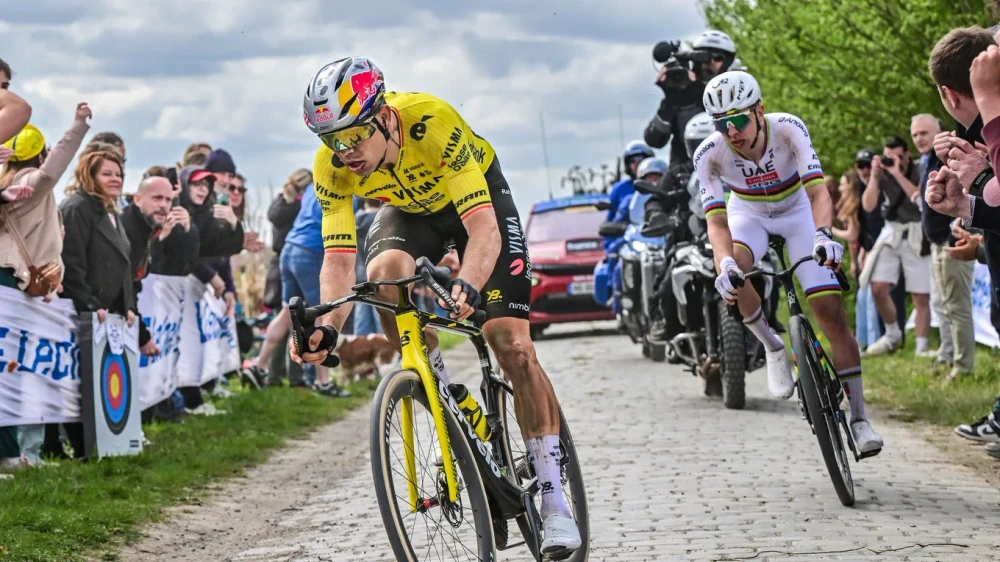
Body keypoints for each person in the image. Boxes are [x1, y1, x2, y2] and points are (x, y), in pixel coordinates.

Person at [294, 57, 581, 554]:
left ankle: (554, 500)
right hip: (408, 212)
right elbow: (339, 261)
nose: (344, 154)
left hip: (478, 202)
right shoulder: (334, 169)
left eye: (353, 136)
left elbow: (483, 230)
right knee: (382, 276)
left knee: (509, 341)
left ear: (383, 116)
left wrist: (467, 284)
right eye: (330, 141)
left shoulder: (432, 121)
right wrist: (329, 325)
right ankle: (435, 383)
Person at [695, 70, 883, 454]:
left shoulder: (788, 129)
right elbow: (716, 222)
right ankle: (773, 345)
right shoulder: (709, 154)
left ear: (759, 111)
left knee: (830, 313)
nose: (732, 132)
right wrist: (725, 263)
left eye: (738, 120)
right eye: (721, 124)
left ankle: (860, 419)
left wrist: (824, 236)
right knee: (735, 272)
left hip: (797, 208)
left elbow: (818, 193)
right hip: (748, 214)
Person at [58, 149, 136, 458]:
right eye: (107, 174)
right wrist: (88, 304)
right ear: (89, 176)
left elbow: (122, 264)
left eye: (118, 174)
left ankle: (100, 446)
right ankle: (71, 445)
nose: (115, 179)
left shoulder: (112, 212)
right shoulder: (77, 209)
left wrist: (127, 306)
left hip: (109, 312)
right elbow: (72, 261)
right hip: (81, 309)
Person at [910, 114, 977, 378]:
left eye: (924, 133)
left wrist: (958, 224)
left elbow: (972, 186)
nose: (919, 139)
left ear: (938, 131)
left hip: (956, 239)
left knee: (957, 307)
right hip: (937, 242)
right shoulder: (927, 161)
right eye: (915, 134)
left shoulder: (950, 152)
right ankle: (947, 355)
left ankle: (963, 368)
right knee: (943, 306)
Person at [860, 135, 930, 356]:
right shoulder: (881, 174)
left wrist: (898, 174)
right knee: (877, 286)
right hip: (892, 231)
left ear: (907, 155)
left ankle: (921, 347)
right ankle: (892, 334)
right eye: (890, 157)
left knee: (921, 295)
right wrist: (874, 175)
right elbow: (868, 205)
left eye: (899, 156)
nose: (895, 161)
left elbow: (920, 200)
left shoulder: (920, 168)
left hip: (917, 231)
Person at [644, 30, 737, 174]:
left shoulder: (737, 90)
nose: (710, 63)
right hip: (683, 177)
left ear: (728, 62)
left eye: (717, 58)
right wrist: (669, 102)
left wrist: (698, 91)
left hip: (728, 171)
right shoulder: (680, 92)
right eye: (705, 58)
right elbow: (654, 140)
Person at [258, 168, 311, 387]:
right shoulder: (303, 205)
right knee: (296, 320)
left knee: (282, 318)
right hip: (298, 262)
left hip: (278, 263)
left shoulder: (280, 204)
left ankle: (273, 374)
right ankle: (296, 376)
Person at [354, 198, 384, 335]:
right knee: (382, 316)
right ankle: (388, 350)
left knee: (362, 319)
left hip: (360, 275)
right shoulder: (383, 221)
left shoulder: (355, 220)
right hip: (379, 275)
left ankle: (360, 354)